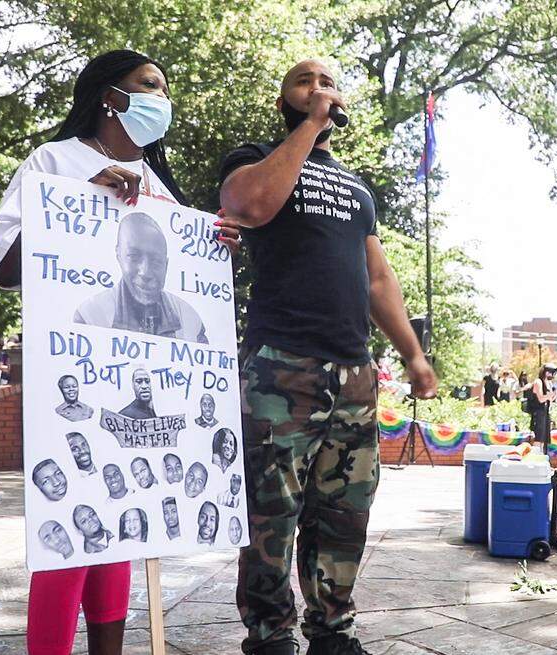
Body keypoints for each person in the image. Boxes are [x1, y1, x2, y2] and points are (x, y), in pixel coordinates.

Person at [216, 58, 438, 655]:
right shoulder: (254, 159)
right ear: (285, 99)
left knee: (344, 515)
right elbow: (250, 205)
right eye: (304, 81)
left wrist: (412, 355)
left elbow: (377, 278)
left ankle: (332, 631)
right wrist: (309, 128)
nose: (319, 89)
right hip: (280, 367)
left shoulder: (358, 187)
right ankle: (268, 635)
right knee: (271, 512)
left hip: (355, 372)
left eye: (328, 82)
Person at [0, 48, 188, 655]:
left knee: (124, 521)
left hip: (140, 384)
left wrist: (216, 240)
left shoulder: (160, 188)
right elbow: (4, 267)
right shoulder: (55, 160)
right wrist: (79, 199)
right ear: (110, 96)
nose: (161, 97)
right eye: (147, 85)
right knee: (69, 528)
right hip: (73, 375)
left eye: (163, 87)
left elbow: (183, 278)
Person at [73, 211, 208, 343]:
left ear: (166, 265)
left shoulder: (190, 320)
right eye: (134, 256)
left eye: (156, 261)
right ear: (119, 255)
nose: (145, 272)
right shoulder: (91, 316)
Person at [528, 367, 557, 451]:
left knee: (544, 438)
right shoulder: (538, 382)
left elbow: (550, 399)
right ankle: (536, 456)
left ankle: (542, 455)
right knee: (539, 437)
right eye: (551, 373)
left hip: (546, 412)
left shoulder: (549, 383)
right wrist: (551, 394)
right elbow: (540, 398)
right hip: (538, 412)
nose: (552, 375)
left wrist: (555, 394)